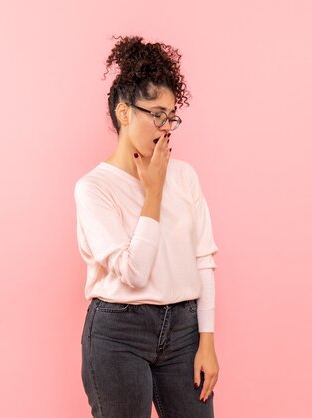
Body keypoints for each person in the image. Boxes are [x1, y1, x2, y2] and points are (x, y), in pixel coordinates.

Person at [74, 35, 219, 418]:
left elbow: (203, 259)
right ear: (124, 114)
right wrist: (153, 192)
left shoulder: (185, 177)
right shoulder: (94, 188)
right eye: (156, 114)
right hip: (119, 332)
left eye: (171, 115)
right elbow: (134, 271)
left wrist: (207, 341)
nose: (167, 125)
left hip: (184, 333)